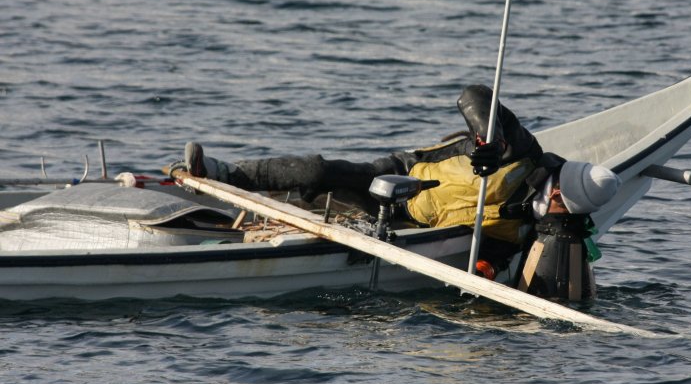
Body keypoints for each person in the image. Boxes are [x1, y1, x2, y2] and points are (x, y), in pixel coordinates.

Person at [171, 84, 620, 300]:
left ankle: (231, 214)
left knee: (316, 208)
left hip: (408, 218)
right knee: (320, 172)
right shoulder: (524, 151)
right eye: (560, 195)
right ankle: (224, 172)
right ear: (560, 182)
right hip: (403, 172)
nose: (555, 205)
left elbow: (493, 259)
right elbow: (473, 96)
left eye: (562, 208)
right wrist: (490, 141)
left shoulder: (533, 226)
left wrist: (483, 274)